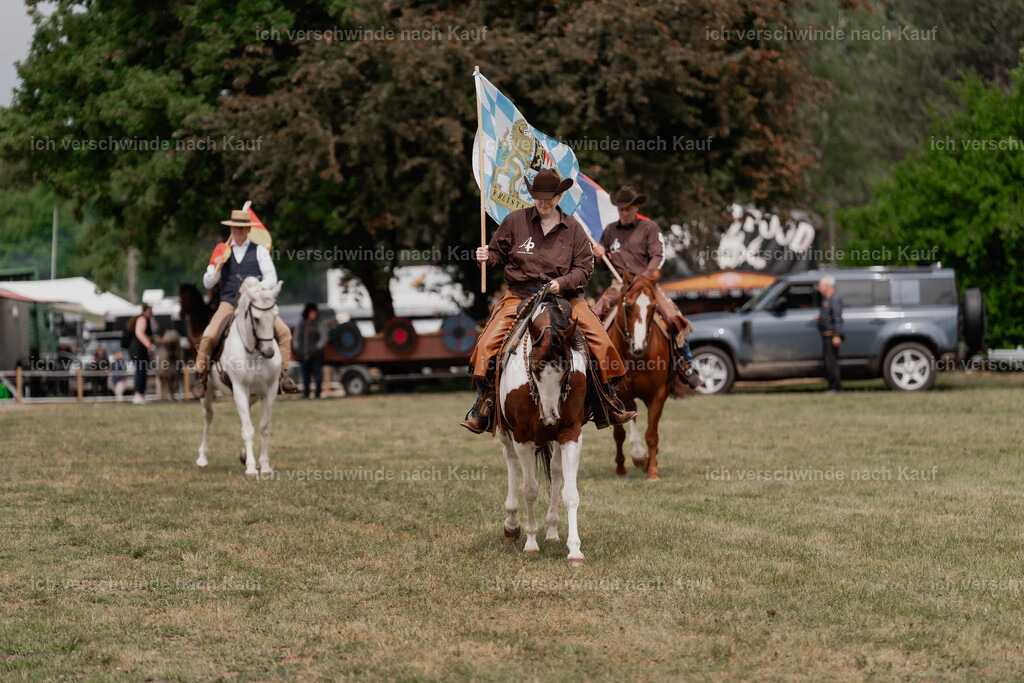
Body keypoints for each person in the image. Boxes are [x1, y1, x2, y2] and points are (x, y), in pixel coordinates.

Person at [460, 168, 637, 434]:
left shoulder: (574, 229)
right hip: (520, 295)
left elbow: (584, 269)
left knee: (601, 341)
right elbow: (497, 256)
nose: (544, 202)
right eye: (539, 196)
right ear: (532, 195)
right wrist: (486, 256)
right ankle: (483, 405)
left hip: (566, 297)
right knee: (487, 344)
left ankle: (607, 402)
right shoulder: (514, 221)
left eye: (550, 196)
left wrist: (561, 283)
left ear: (560, 195)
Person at [591, 185, 703, 390]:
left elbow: (658, 256)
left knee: (673, 316)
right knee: (594, 316)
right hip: (619, 285)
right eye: (621, 209)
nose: (624, 213)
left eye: (628, 209)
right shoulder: (609, 231)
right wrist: (599, 254)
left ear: (636, 208)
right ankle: (591, 368)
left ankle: (686, 364)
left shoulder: (649, 228)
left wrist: (645, 278)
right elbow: (602, 264)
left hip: (647, 284)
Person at [192, 206, 298, 398]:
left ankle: (283, 375)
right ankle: (202, 375)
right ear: (231, 230)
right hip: (229, 303)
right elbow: (208, 282)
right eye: (234, 229)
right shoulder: (222, 251)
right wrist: (215, 268)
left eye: (241, 229)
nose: (237, 232)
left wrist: (253, 289)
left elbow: (271, 279)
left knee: (283, 332)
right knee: (208, 336)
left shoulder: (260, 252)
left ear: (248, 230)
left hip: (255, 304)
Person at [816, 275, 844, 393]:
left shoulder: (834, 298)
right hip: (826, 335)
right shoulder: (826, 299)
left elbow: (837, 318)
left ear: (827, 286)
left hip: (831, 335)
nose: (819, 288)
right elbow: (827, 315)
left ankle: (836, 387)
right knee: (828, 361)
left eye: (821, 285)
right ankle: (832, 386)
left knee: (832, 362)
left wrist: (837, 335)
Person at [130, 304, 162, 404]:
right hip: (138, 350)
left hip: (141, 351)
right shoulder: (142, 318)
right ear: (146, 310)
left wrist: (161, 341)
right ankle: (137, 395)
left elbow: (150, 337)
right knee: (140, 372)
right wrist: (148, 345)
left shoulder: (147, 320)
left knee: (143, 372)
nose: (152, 313)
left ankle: (141, 395)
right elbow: (139, 333)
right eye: (150, 310)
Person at [295, 302, 328, 399]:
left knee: (318, 376)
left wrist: (317, 348)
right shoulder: (301, 324)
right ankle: (306, 393)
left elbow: (324, 338)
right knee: (305, 376)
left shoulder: (319, 324)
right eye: (311, 312)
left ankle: (318, 393)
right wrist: (298, 348)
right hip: (303, 354)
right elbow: (295, 338)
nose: (313, 315)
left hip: (316, 355)